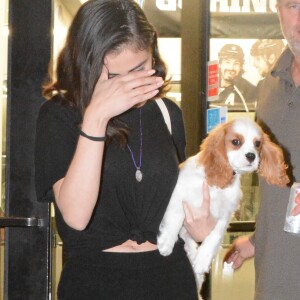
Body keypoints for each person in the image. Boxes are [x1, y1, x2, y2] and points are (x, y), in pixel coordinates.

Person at [34, 1, 216, 299]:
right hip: (94, 281)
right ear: (87, 66)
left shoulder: (168, 113)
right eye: (115, 77)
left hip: (170, 278)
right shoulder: (59, 115)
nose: (129, 85)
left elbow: (186, 208)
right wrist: (96, 117)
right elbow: (76, 216)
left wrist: (203, 228)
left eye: (141, 68)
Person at [225, 1, 300, 299]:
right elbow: (275, 185)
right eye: (293, 5)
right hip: (276, 275)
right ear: (278, 11)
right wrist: (259, 241)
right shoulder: (268, 88)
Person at [212, 44, 257, 112]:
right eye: (227, 62)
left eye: (236, 63)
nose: (231, 68)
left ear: (241, 66)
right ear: (220, 64)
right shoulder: (208, 85)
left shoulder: (250, 91)